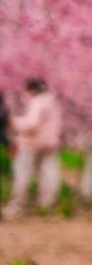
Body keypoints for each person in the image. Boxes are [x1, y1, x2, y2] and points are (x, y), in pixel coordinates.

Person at [5, 78, 63, 218]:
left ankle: (18, 205)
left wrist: (13, 122)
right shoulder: (53, 102)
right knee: (49, 173)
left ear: (31, 90)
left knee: (22, 173)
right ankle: (47, 204)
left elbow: (32, 123)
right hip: (50, 143)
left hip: (32, 143)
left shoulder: (38, 102)